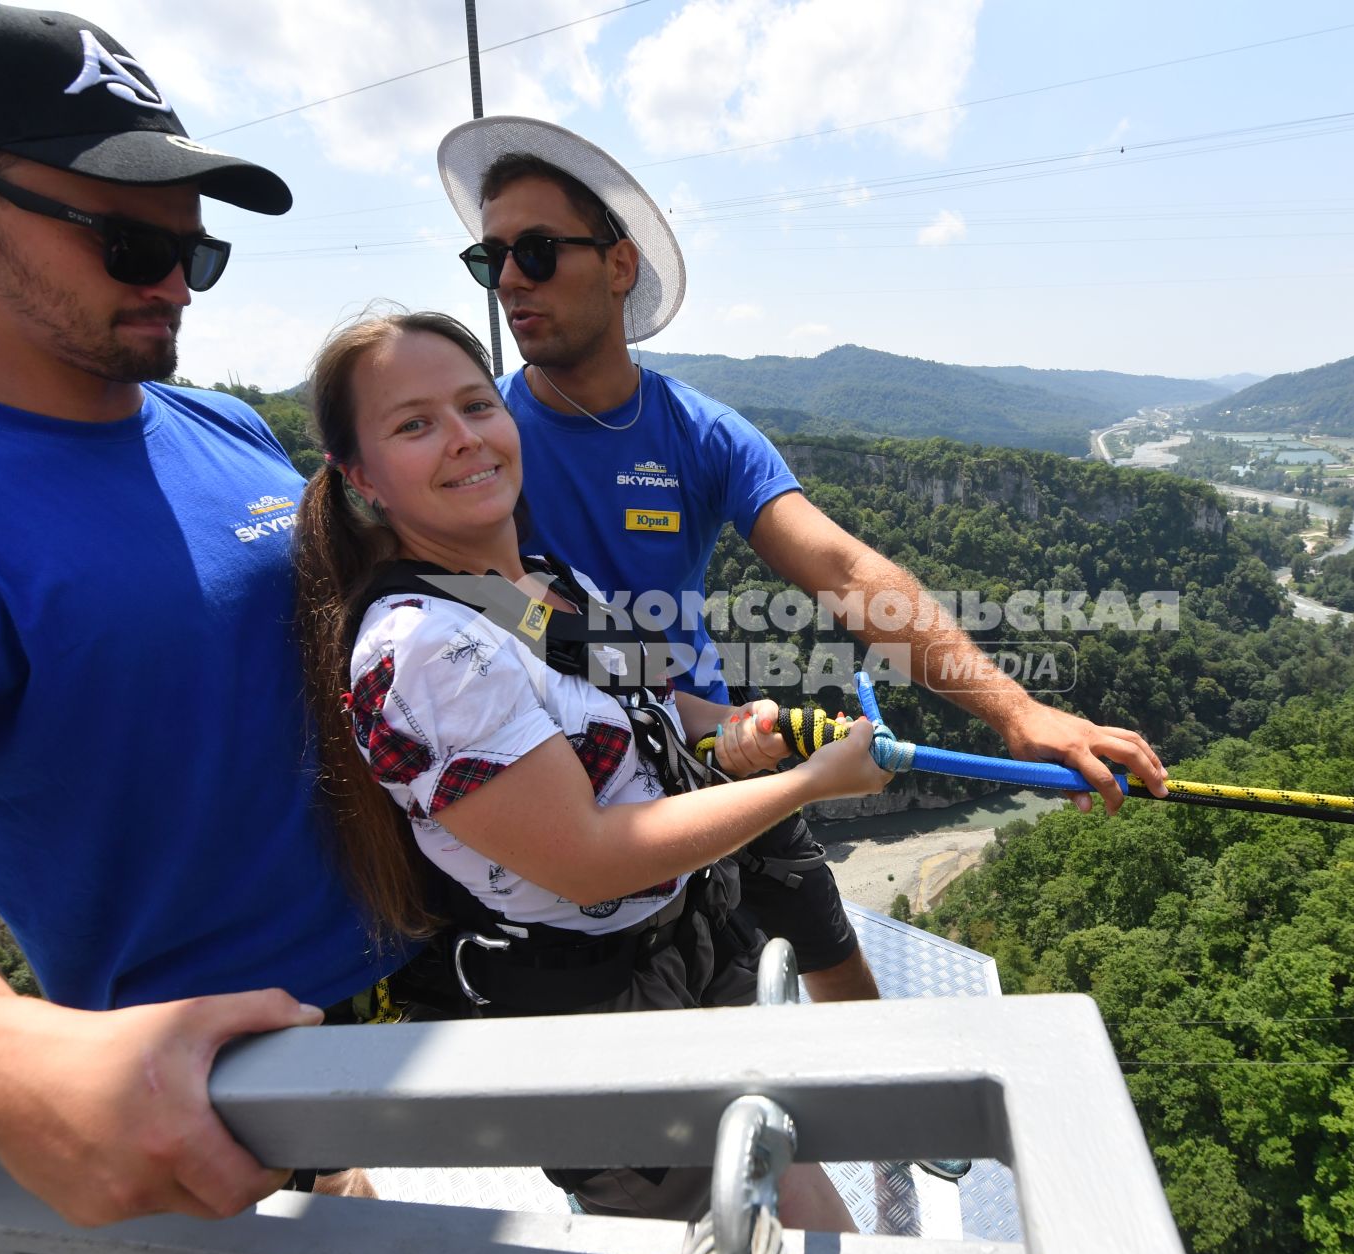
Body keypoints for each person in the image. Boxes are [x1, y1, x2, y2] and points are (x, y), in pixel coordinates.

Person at [0, 1, 396, 1254]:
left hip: (431, 984)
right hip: (218, 1087)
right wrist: (1, 1052)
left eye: (195, 253)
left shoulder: (229, 434)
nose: (171, 285)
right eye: (131, 240)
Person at [435, 120, 1170, 1019]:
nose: (509, 280)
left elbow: (846, 570)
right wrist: (682, 714)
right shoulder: (481, 446)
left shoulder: (700, 435)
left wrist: (1014, 711)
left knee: (829, 949)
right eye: (492, 256)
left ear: (619, 266)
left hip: (718, 753)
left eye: (538, 252)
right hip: (577, 786)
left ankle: (894, 1138)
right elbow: (472, 596)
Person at [292, 308, 888, 1224]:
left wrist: (738, 731)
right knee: (751, 1237)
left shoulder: (531, 581)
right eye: (415, 424)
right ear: (361, 476)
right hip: (601, 1025)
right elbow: (590, 857)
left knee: (809, 1218)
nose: (464, 439)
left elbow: (655, 698)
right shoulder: (426, 652)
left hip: (689, 948)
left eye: (475, 405)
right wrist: (805, 786)